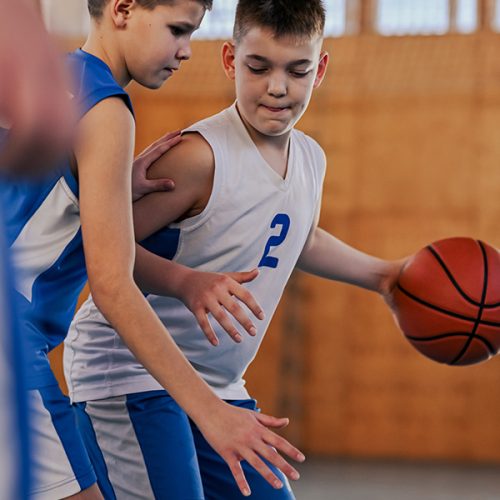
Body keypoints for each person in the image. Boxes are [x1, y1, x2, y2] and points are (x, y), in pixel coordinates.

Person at [64, 0, 405, 498]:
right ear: (229, 60)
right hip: (130, 372)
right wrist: (186, 283)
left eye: (298, 69)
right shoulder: (199, 156)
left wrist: (383, 275)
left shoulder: (311, 158)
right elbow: (102, 248)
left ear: (321, 68)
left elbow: (299, 236)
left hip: (218, 386)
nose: (277, 87)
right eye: (258, 67)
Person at [2, 0, 304, 498]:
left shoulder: (49, 80)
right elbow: (114, 286)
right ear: (122, 10)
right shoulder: (106, 110)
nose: (186, 51)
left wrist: (102, 187)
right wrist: (211, 413)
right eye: (178, 30)